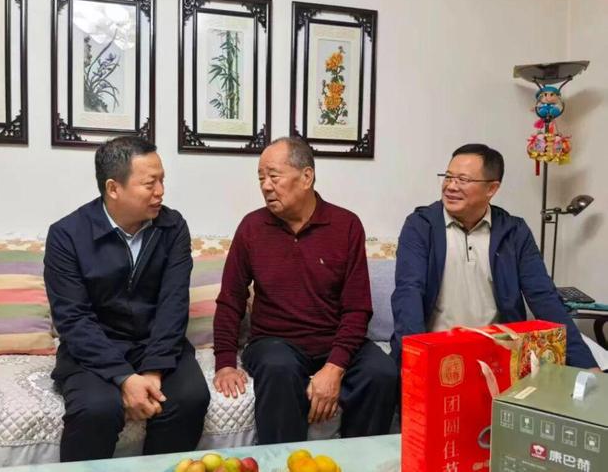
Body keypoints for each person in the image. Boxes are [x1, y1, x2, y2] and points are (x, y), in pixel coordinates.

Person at [213, 136, 398, 444]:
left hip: (332, 338)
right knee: (279, 368)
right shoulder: (252, 227)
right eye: (261, 178)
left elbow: (357, 308)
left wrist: (335, 367)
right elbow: (231, 300)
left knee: (382, 373)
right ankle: (282, 462)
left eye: (274, 176)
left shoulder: (346, 225)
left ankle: (360, 460)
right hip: (274, 342)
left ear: (306, 176)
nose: (266, 186)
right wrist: (224, 363)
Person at [44, 136, 209, 462]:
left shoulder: (172, 227)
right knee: (97, 409)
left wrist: (154, 371)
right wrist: (125, 378)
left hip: (155, 344)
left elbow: (173, 303)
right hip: (94, 349)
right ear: (113, 188)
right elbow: (73, 319)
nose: (160, 191)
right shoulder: (67, 235)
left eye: (162, 180)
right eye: (150, 184)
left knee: (190, 398)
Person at [390, 143, 598, 369]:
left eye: (463, 179)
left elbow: (544, 297)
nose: (450, 186)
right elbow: (408, 292)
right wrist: (416, 360)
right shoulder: (420, 226)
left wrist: (586, 365)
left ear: (492, 188)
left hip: (498, 355)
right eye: (448, 177)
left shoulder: (514, 232)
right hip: (438, 354)